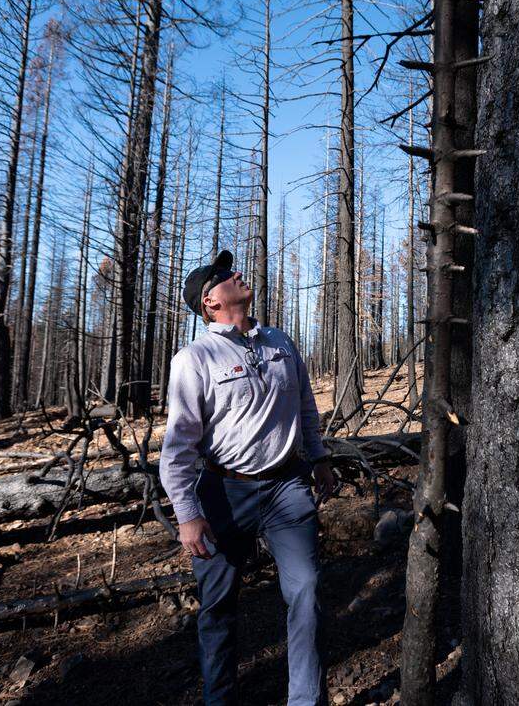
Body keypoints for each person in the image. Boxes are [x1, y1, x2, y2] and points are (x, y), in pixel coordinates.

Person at [159, 250, 337, 706]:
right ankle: (220, 699)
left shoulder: (280, 342)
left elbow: (306, 408)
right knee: (217, 608)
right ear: (210, 303)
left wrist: (317, 457)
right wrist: (187, 514)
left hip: (286, 488)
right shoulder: (195, 358)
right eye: (223, 276)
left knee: (307, 590)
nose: (236, 275)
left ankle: (305, 700)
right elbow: (178, 445)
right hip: (223, 492)